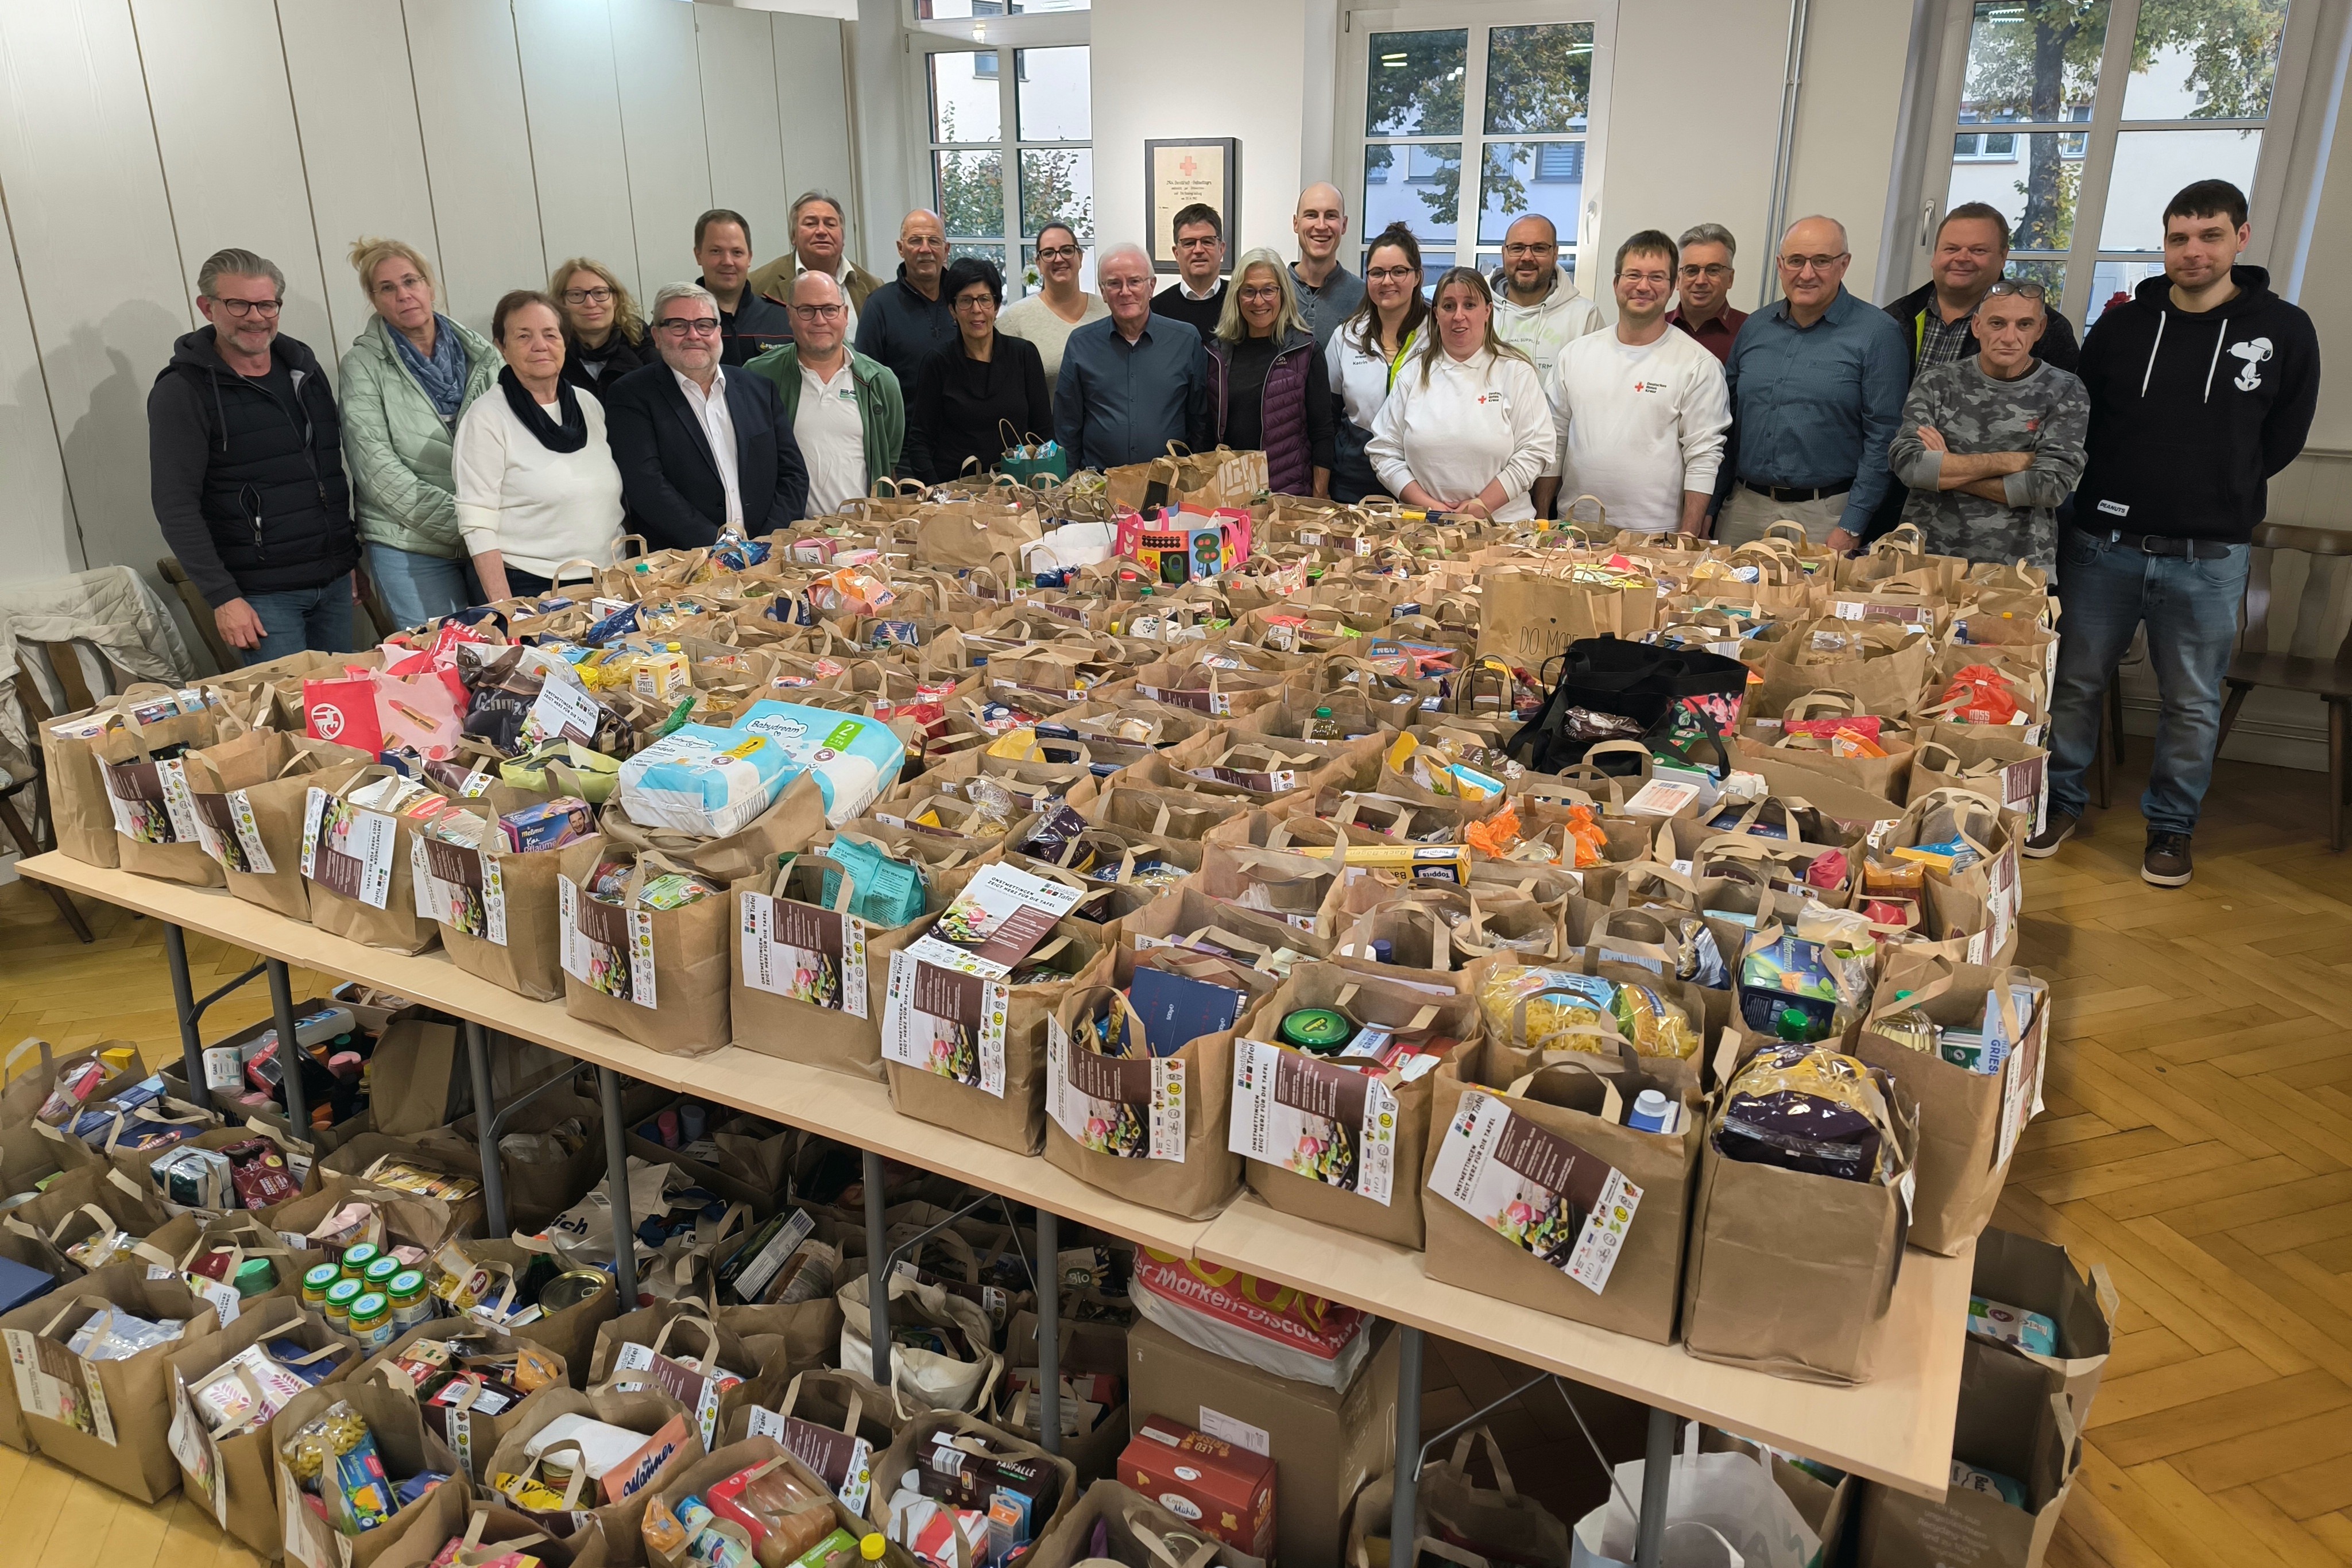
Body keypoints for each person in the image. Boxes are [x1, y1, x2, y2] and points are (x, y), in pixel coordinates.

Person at [2030, 179, 2319, 888]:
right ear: (2164, 244)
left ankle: (2170, 827)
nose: (2193, 251)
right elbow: (2084, 421)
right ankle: (2058, 804)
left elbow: (2281, 436)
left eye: (2209, 236)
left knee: (2191, 700)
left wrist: (2218, 488)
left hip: (2209, 553)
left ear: (2240, 239)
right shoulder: (2123, 327)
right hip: (2103, 545)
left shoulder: (2282, 330)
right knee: (2074, 683)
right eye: (2179, 238)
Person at [149, 247, 358, 661]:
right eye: (238, 304)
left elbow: (329, 473)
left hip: (334, 583)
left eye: (266, 304)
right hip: (261, 599)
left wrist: (348, 557)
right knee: (289, 720)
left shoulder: (305, 371)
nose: (255, 317)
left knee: (340, 713)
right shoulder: (182, 391)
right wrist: (223, 597)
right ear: (207, 307)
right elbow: (176, 505)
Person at [1715, 216, 1908, 549]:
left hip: (1826, 517)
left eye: (1821, 261)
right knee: (1720, 599)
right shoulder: (1756, 327)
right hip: (1743, 510)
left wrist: (1852, 525)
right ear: (1780, 265)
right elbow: (1727, 424)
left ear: (1844, 265)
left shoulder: (1878, 333)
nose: (1807, 274)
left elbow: (1884, 437)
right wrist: (1714, 504)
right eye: (1796, 261)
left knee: (1811, 602)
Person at [337, 237, 497, 628]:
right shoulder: (361, 365)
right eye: (387, 288)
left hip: (489, 536)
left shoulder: (482, 353)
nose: (404, 295)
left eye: (411, 281)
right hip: (409, 541)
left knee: (507, 650)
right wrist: (464, 521)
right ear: (374, 299)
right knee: (441, 663)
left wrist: (485, 524)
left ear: (430, 286)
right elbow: (376, 469)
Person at [1531, 230, 1728, 537]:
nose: (1643, 286)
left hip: (1655, 533)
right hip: (1575, 526)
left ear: (1673, 286)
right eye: (1633, 275)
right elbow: (1554, 439)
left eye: (1657, 277)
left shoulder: (1698, 365)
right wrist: (1542, 516)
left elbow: (1703, 457)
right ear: (1616, 283)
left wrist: (1688, 537)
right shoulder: (1575, 355)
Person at [1886, 280, 2088, 571]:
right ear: (1977, 326)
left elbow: (2050, 487)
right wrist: (2012, 461)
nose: (2009, 337)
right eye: (1997, 323)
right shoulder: (1937, 381)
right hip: (1925, 560)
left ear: (2040, 330)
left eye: (2024, 325)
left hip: (2018, 567)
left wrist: (1946, 468)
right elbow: (1909, 466)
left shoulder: (2065, 389)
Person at [604, 283, 809, 551]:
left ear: (719, 332)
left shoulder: (759, 389)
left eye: (704, 325)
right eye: (678, 325)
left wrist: (766, 542)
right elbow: (647, 487)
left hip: (767, 553)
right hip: (683, 564)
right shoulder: (631, 395)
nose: (694, 335)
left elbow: (793, 474)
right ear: (657, 336)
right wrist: (720, 547)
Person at [453, 290, 624, 601]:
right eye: (523, 336)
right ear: (501, 348)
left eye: (550, 334)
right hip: (532, 587)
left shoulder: (588, 405)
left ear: (564, 342)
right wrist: (506, 609)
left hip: (609, 579)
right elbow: (477, 523)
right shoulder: (487, 418)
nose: (540, 346)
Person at [1367, 267, 1553, 524]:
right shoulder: (1413, 373)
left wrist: (1481, 506)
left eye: (1469, 305)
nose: (1459, 316)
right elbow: (1383, 450)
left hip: (1505, 529)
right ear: (1436, 314)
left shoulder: (1515, 372)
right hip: (1424, 527)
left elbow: (1536, 450)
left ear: (1488, 311)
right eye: (1449, 306)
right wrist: (1430, 508)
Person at [746, 272, 906, 515]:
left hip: (865, 536)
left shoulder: (880, 382)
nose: (820, 320)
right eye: (807, 310)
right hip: (790, 538)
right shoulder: (758, 378)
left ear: (845, 315)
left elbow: (889, 459)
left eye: (830, 309)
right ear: (789, 315)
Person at [1054, 242, 1211, 471]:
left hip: (1170, 484)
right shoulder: (1080, 344)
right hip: (1100, 487)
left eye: (1135, 281)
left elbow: (1200, 419)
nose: (1125, 292)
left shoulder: (1186, 340)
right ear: (1103, 292)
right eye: (1114, 283)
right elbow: (1067, 426)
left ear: (1152, 286)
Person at [903, 257, 1052, 484]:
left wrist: (1040, 485)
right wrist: (937, 495)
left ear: (997, 305)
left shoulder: (1024, 355)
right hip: (955, 492)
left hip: (1019, 488)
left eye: (984, 299)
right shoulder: (938, 363)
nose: (976, 309)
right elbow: (920, 440)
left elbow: (1043, 432)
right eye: (965, 301)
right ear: (952, 309)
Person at [1886, 203, 2080, 376]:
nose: (1962, 258)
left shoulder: (2045, 330)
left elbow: (2057, 406)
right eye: (1951, 249)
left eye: (1978, 250)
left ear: (2003, 256)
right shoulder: (1892, 319)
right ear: (1935, 255)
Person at [1208, 248, 1335, 497]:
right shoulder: (1217, 354)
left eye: (1268, 290)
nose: (1259, 301)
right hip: (1229, 494)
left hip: (1287, 495)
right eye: (1249, 291)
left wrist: (1318, 498)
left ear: (1283, 294)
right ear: (1237, 296)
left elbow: (1322, 432)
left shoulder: (1305, 352)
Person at [1326, 223, 1429, 504]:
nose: (1387, 281)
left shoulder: (1439, 335)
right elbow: (1329, 416)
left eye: (1399, 271)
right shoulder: (1346, 337)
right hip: (1354, 480)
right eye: (1377, 273)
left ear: (1418, 276)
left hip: (1424, 481)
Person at [1488, 214, 1603, 393]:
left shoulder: (1585, 317)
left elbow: (1593, 393)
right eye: (1517, 248)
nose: (1527, 257)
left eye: (1539, 248)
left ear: (1555, 253)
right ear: (1504, 252)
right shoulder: (1477, 311)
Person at [748, 191, 882, 336]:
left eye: (830, 224)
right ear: (793, 236)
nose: (821, 231)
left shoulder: (874, 287)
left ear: (842, 237)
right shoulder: (758, 285)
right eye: (811, 223)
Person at [997, 222, 1108, 397]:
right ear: (1039, 264)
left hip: (1105, 424)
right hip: (1046, 425)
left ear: (1080, 257)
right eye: (1049, 253)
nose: (1058, 259)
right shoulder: (1015, 319)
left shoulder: (1107, 311)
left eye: (1067, 250)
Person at [856, 210, 957, 397]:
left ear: (946, 249)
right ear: (901, 248)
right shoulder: (879, 306)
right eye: (916, 241)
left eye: (934, 241)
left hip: (964, 424)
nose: (925, 249)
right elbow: (864, 381)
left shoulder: (963, 301)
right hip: (903, 424)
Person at [693, 208, 792, 367]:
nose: (727, 261)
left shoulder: (785, 321)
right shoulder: (678, 325)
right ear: (698, 255)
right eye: (716, 251)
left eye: (737, 252)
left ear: (749, 258)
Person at [551, 257, 655, 392]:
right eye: (576, 294)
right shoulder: (549, 354)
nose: (590, 304)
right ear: (561, 303)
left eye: (600, 293)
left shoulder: (645, 347)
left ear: (615, 299)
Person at [1289, 183, 1364, 348]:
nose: (1321, 226)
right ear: (1296, 223)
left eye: (1331, 216)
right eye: (1311, 215)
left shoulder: (1364, 297)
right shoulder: (1272, 291)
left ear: (1344, 225)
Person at [1668, 223, 1747, 365]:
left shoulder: (1751, 332)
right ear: (1678, 280)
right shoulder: (1657, 328)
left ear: (1730, 279)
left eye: (1713, 270)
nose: (1701, 281)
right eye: (1691, 270)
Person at [1152, 203, 1228, 343]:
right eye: (1189, 243)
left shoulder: (1241, 301)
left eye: (1207, 241)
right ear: (1176, 253)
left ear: (1221, 249)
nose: (1198, 250)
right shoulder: (1156, 310)